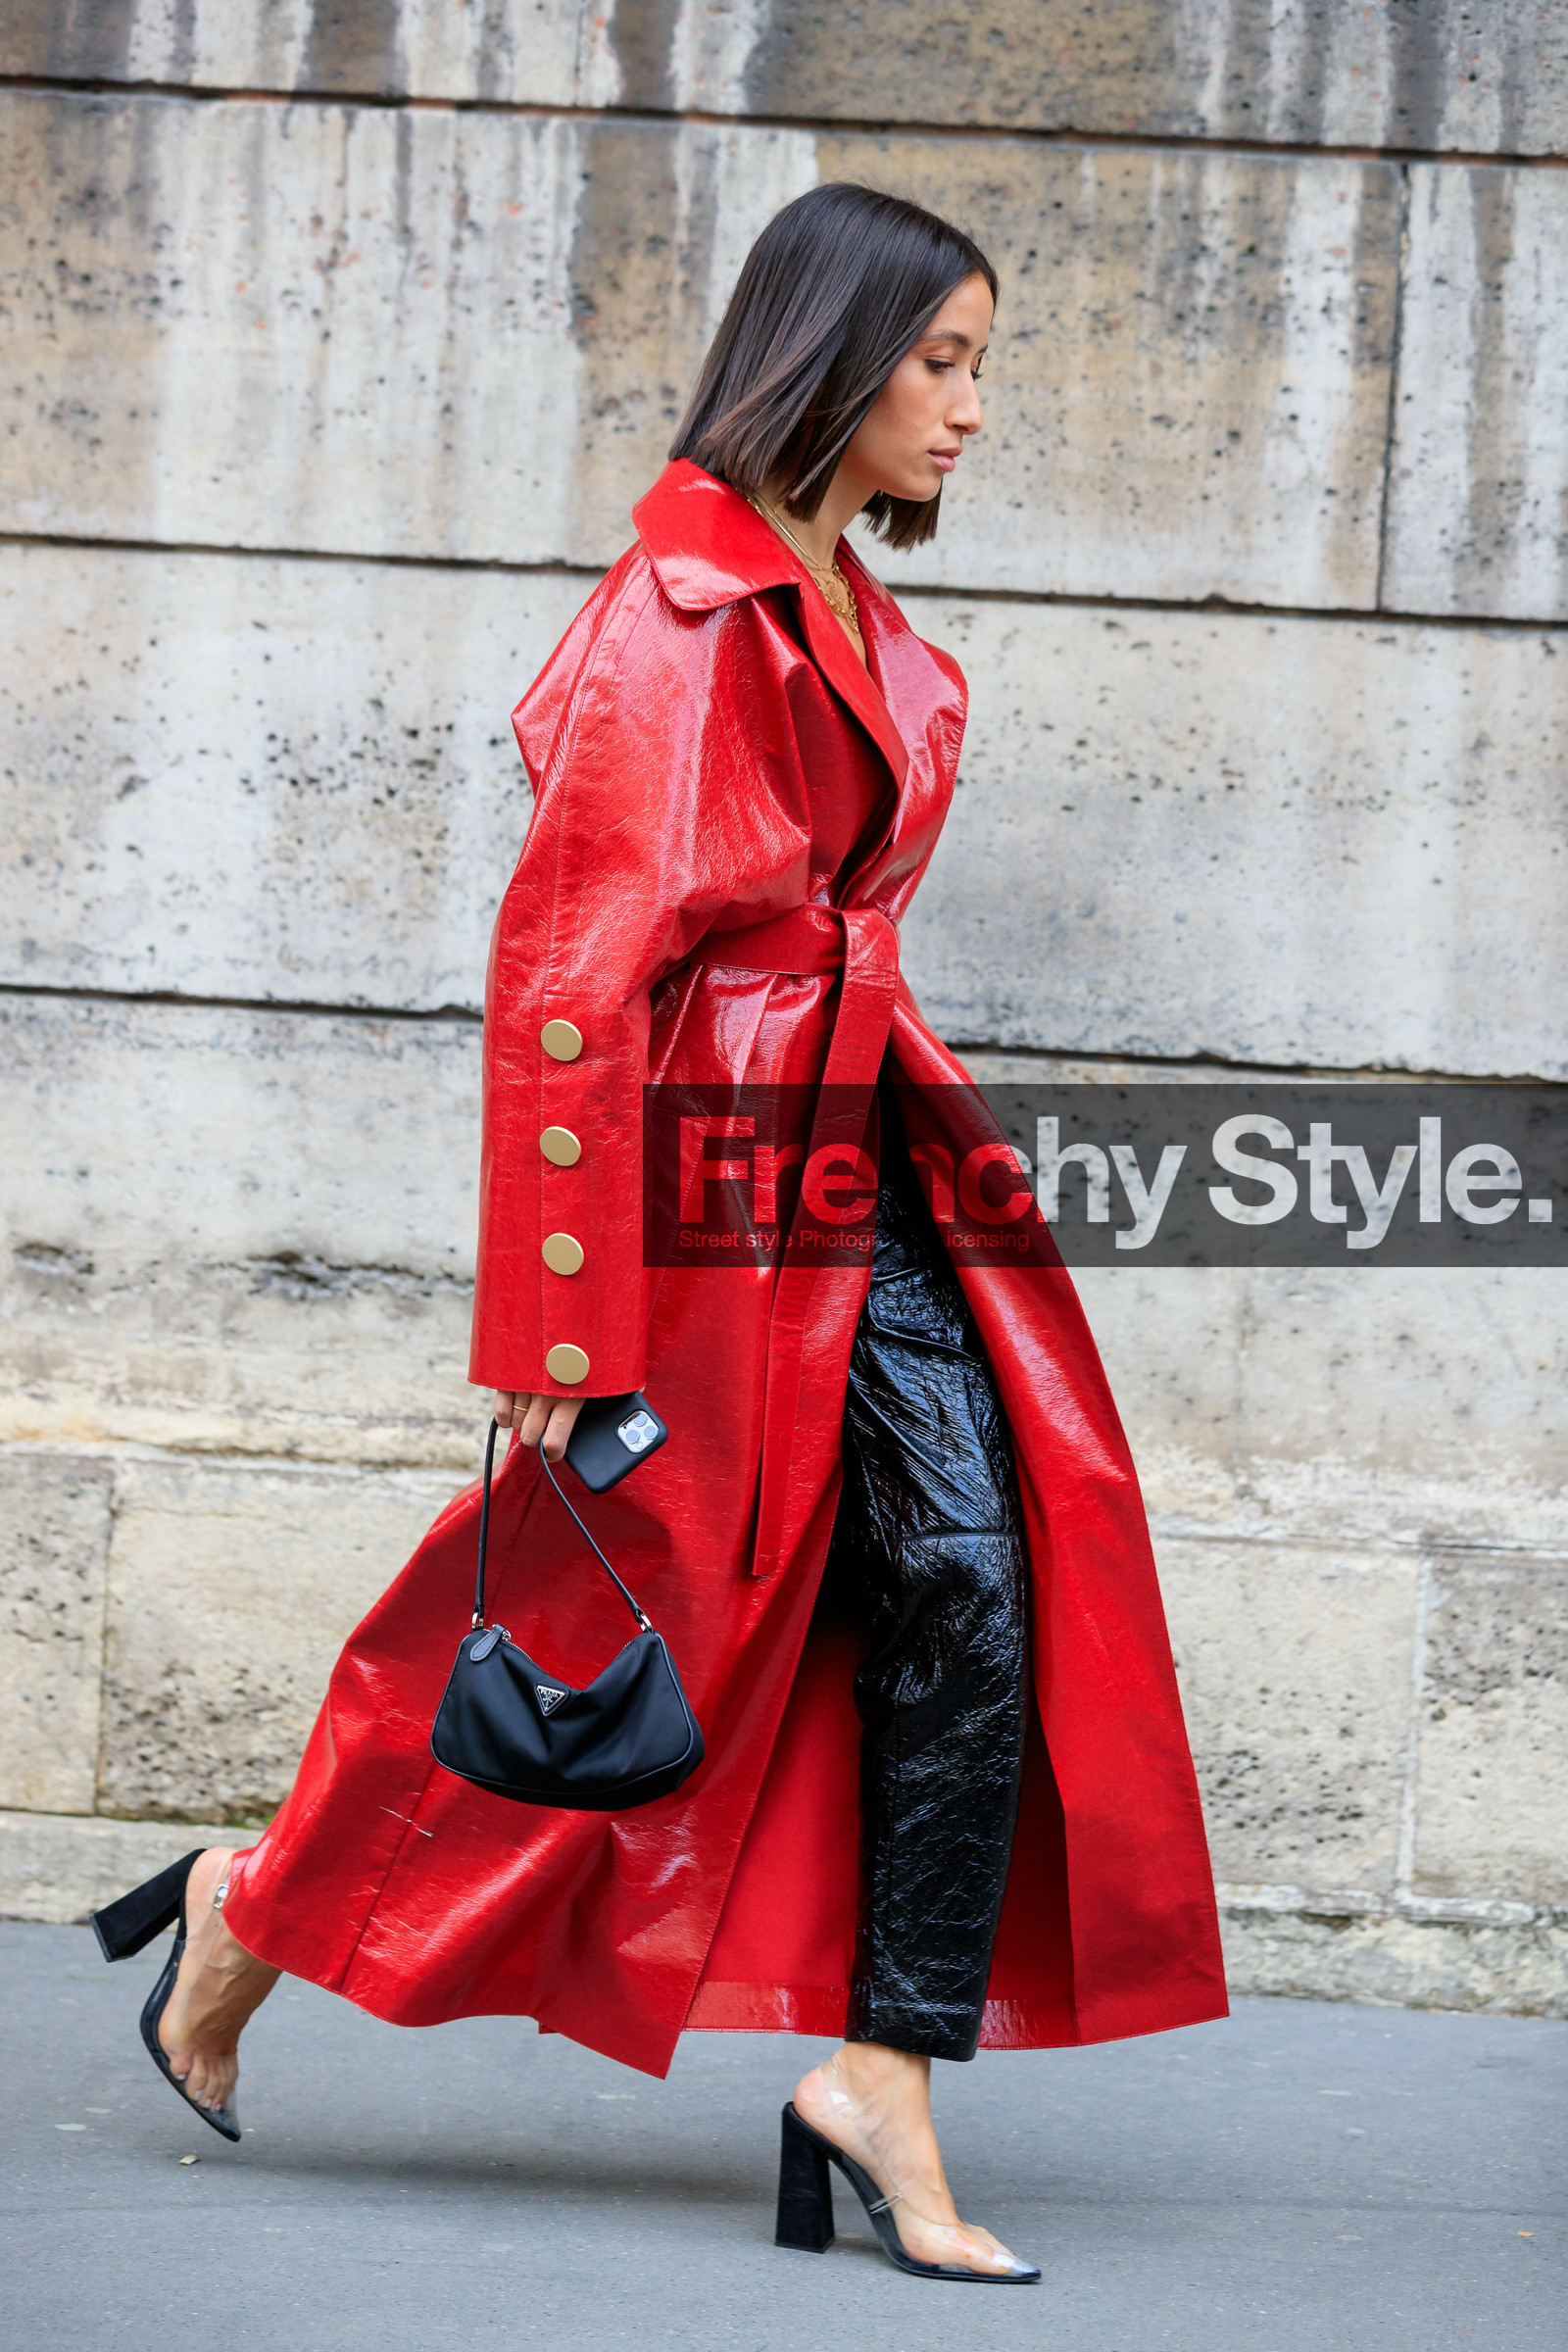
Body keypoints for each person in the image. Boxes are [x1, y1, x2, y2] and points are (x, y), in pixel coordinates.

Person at [92, 183, 1226, 2285]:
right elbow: (566, 976)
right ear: (830, 351)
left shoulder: (848, 618)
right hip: (703, 1192)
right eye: (940, 360)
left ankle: (881, 2067)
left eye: (984, 364)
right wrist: (551, 1322)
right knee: (587, 1634)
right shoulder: (680, 608)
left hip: (849, 1152)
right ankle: (248, 1913)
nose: (971, 409)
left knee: (977, 1569)